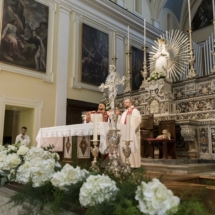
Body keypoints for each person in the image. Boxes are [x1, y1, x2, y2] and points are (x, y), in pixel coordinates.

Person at [118, 99, 142, 168]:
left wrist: (130, 129)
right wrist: (118, 116)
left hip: (132, 133)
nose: (125, 104)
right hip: (124, 133)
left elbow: (138, 119)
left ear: (131, 103)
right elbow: (121, 122)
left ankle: (133, 164)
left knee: (132, 148)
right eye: (124, 102)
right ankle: (124, 162)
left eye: (126, 102)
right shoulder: (124, 112)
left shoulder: (135, 111)